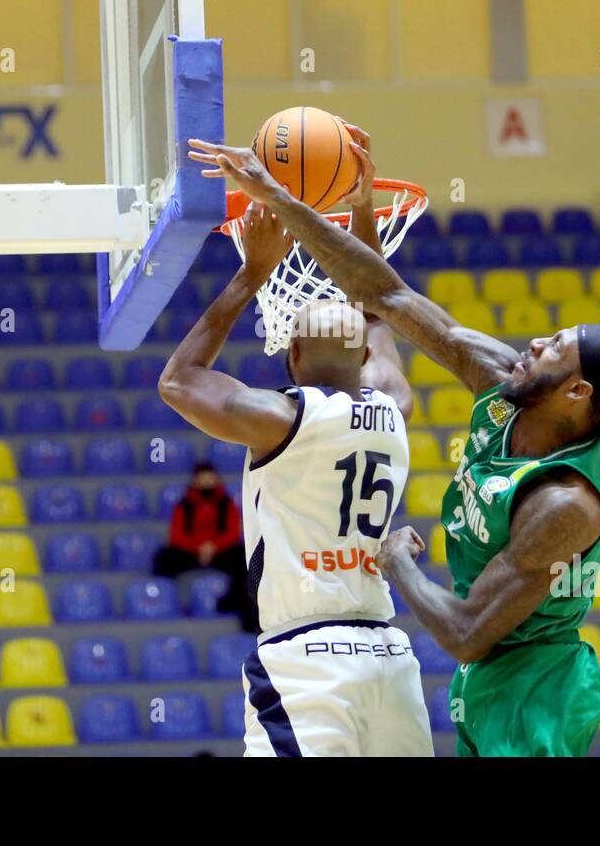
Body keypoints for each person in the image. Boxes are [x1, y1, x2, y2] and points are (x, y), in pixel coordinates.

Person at [189, 131, 600, 757]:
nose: (535, 344)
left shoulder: (565, 504)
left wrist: (397, 556)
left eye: (553, 349)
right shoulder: (499, 376)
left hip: (534, 681)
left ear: (576, 393)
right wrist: (354, 206)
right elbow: (387, 300)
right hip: (474, 668)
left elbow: (464, 632)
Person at [157, 142, 433, 757]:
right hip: (388, 656)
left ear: (290, 359)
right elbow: (380, 305)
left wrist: (252, 274)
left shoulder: (281, 416)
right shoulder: (395, 404)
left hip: (307, 660)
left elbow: (177, 381)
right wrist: (362, 209)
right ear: (366, 359)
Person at [152, 462, 255, 632]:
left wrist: (213, 547)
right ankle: (168, 607)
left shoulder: (227, 503)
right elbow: (176, 536)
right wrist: (198, 548)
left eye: (209, 477)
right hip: (191, 553)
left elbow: (232, 533)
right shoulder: (183, 505)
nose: (206, 481)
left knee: (243, 559)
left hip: (219, 551)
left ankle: (237, 606)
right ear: (195, 481)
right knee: (164, 558)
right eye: (202, 478)